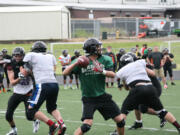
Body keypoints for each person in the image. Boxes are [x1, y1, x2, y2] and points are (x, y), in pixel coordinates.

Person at [63, 38, 124, 135]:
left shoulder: (105, 59)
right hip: (88, 98)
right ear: (92, 49)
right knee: (86, 125)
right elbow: (65, 72)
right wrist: (76, 62)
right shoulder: (81, 60)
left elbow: (112, 74)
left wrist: (101, 71)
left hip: (102, 96)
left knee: (121, 121)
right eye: (98, 47)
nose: (100, 48)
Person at [114, 54, 180, 135]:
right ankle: (178, 126)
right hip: (150, 87)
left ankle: (118, 131)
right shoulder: (140, 63)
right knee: (161, 111)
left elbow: (127, 88)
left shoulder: (123, 70)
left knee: (124, 111)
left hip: (142, 88)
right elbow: (151, 73)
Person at [20, 41, 66, 135]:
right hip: (54, 84)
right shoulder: (51, 56)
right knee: (52, 107)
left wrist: (25, 72)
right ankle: (61, 124)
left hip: (42, 84)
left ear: (34, 49)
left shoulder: (30, 54)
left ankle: (52, 125)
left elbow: (26, 70)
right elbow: (53, 69)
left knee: (31, 111)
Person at [5, 47, 40, 135]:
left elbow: (36, 77)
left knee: (29, 116)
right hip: (16, 93)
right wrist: (20, 77)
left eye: (19, 55)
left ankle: (36, 120)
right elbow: (12, 83)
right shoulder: (10, 65)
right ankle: (14, 130)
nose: (17, 57)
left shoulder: (28, 63)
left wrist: (29, 72)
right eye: (15, 55)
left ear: (23, 55)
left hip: (28, 92)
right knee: (8, 115)